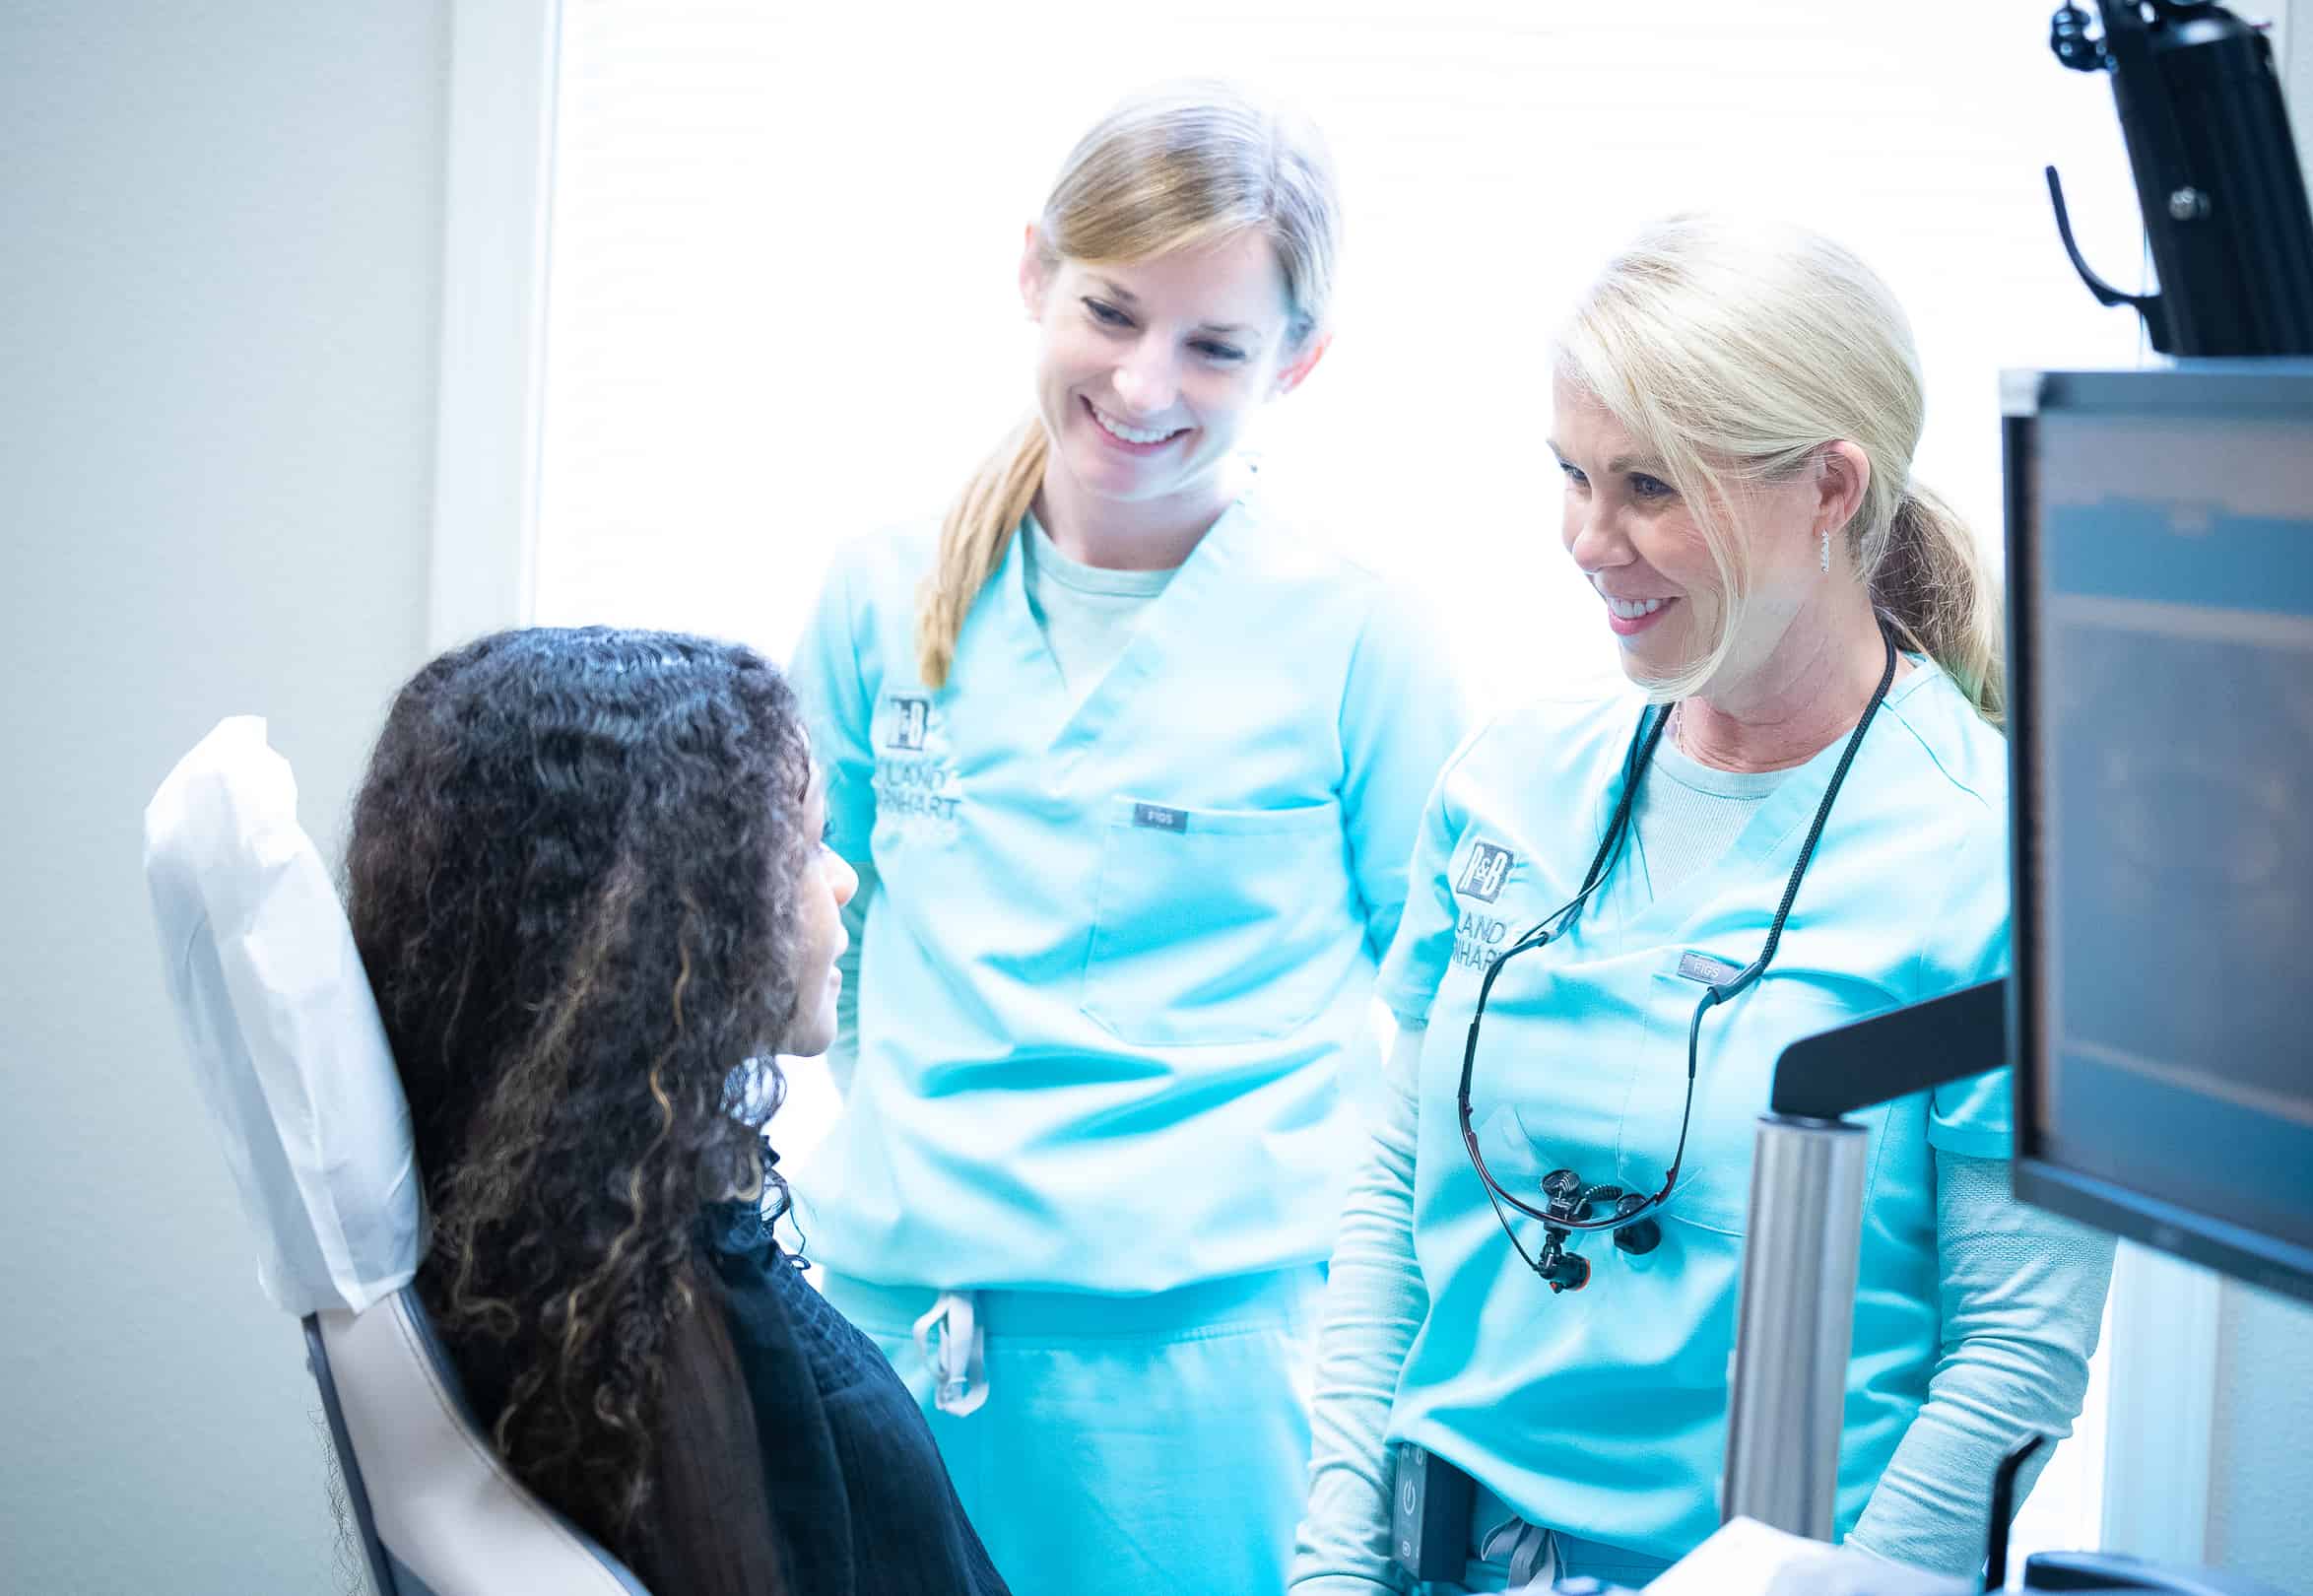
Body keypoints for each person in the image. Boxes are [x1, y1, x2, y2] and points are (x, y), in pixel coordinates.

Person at [1289, 215, 2117, 1593]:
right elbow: (1393, 1191)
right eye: (1569, 475)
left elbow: (2012, 1355)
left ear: (1830, 487)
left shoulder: (1999, 860)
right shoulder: (1509, 780)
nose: (1585, 539)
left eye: (1648, 489)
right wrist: (1333, 1557)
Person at [789, 81, 1469, 1594]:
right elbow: (803, 935)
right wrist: (917, 1126)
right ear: (1032, 273)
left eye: (1214, 344)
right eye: (1108, 311)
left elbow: (1448, 1026)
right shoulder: (878, 596)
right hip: (887, 1325)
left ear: (1297, 361)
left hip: (1201, 1372)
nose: (1145, 381)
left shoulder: (1358, 637)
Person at [342, 627, 1010, 1596]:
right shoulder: (767, 1386)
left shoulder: (543, 1306)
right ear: (684, 918)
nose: (844, 879)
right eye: (812, 844)